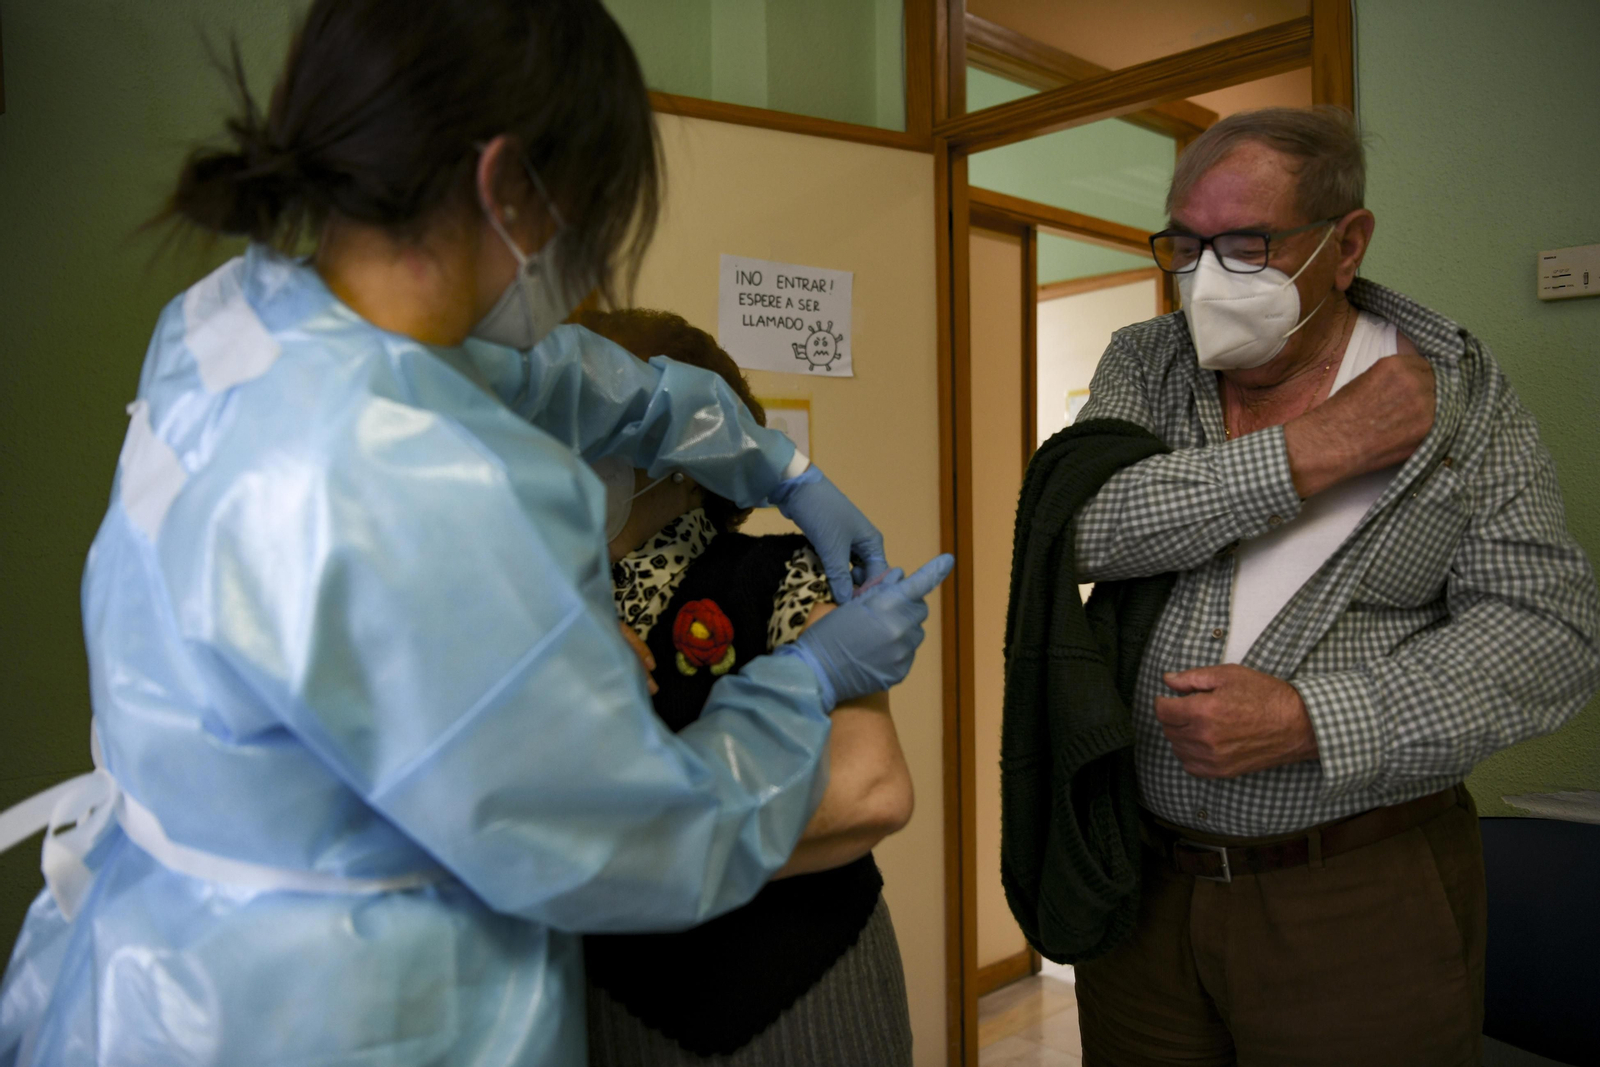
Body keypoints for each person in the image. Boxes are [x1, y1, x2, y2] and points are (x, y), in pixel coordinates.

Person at [0, 3, 953, 1065]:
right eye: (589, 213)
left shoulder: (232, 326)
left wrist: (778, 463)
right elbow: (648, 836)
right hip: (332, 1015)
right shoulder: (439, 489)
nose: (581, 260)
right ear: (505, 185)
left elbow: (572, 380)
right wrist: (805, 680)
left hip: (147, 960)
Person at [1064, 106, 1600, 1065]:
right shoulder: (1145, 365)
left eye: (1247, 245)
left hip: (1357, 894)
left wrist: (1314, 718)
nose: (1206, 279)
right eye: (1184, 246)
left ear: (1346, 244)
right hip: (1141, 887)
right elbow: (1081, 528)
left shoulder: (1462, 396)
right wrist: (1313, 449)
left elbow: (1548, 633)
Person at [573, 308, 915, 1065]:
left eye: (598, 426)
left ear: (695, 460)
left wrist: (614, 861)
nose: (565, 451)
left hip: (799, 998)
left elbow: (868, 788)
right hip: (606, 1006)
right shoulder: (536, 600)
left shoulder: (786, 571)